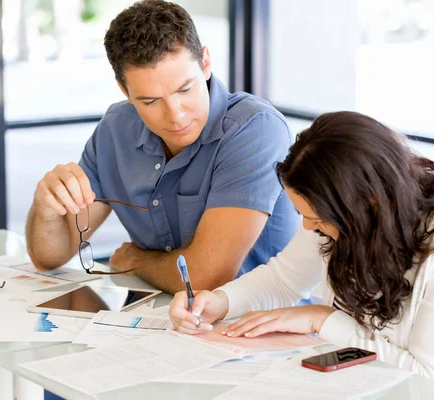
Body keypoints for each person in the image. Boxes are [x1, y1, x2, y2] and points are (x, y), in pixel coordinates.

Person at [169, 111, 434, 399]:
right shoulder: (338, 219)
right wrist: (219, 302)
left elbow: (432, 379)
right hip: (361, 387)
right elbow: (282, 278)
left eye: (317, 219)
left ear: (365, 204)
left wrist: (321, 320)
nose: (308, 229)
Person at [25, 0, 299, 294]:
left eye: (185, 89)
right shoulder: (116, 130)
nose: (176, 115)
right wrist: (46, 205)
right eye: (150, 101)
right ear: (124, 90)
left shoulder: (255, 129)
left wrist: (137, 262)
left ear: (206, 63)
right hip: (145, 326)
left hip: (251, 330)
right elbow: (49, 257)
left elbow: (206, 279)